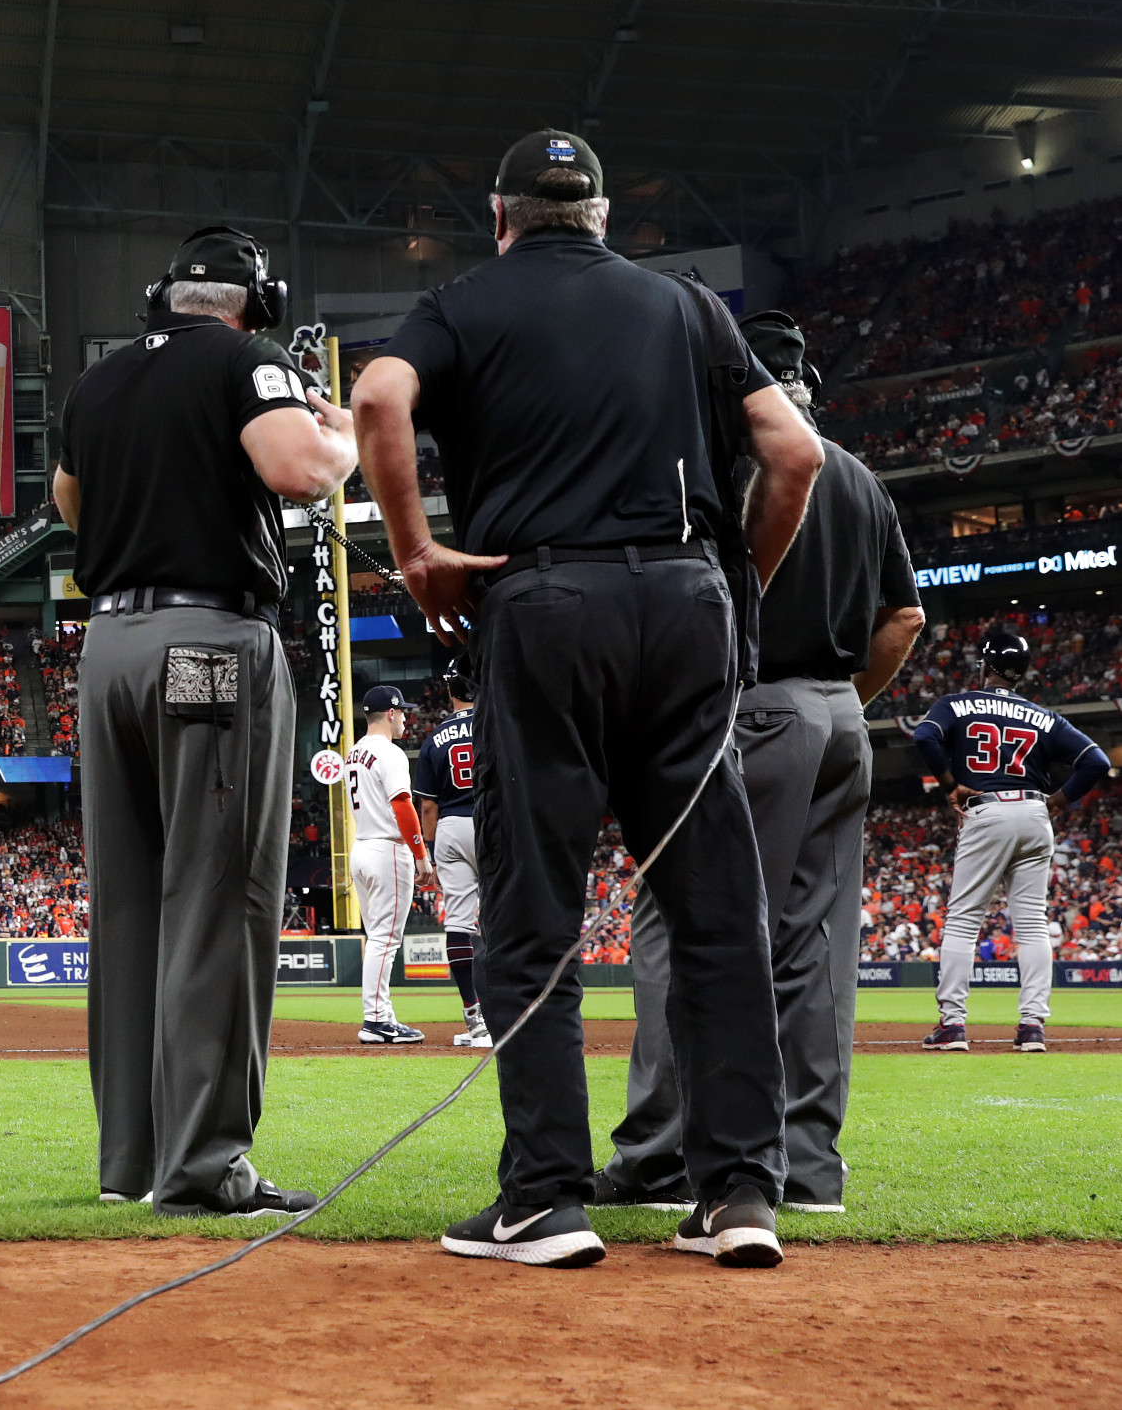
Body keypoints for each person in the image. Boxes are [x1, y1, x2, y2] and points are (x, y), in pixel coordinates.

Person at [352, 128, 822, 1271]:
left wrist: (417, 552)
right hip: (685, 597)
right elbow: (794, 454)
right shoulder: (689, 305)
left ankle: (545, 1198)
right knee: (717, 912)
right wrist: (731, 586)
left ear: (502, 215)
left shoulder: (464, 300)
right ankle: (740, 1193)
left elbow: (376, 395)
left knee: (535, 908)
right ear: (605, 216)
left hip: (543, 597)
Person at [54, 225, 357, 1217]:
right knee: (219, 900)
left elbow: (70, 502)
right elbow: (293, 469)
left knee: (130, 902)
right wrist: (342, 441)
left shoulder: (98, 383)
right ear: (253, 300)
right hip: (208, 641)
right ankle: (205, 1165)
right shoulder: (250, 358)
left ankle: (129, 1161)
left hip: (107, 650)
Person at [596, 311, 924, 1215]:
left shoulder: (732, 464)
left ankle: (662, 1157)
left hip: (749, 711)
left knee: (677, 922)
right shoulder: (857, 476)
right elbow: (903, 621)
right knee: (813, 945)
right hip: (837, 722)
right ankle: (809, 1165)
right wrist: (844, 705)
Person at [914, 632, 1109, 1053]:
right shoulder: (1046, 717)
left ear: (984, 666)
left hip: (987, 809)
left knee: (964, 920)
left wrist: (950, 783)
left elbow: (924, 737)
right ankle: (1033, 1026)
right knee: (1033, 923)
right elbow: (1097, 761)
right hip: (1035, 812)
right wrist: (1058, 800)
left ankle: (952, 1025)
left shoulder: (956, 703)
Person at [345, 684, 434, 1045]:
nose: (407, 719)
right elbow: (402, 805)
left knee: (377, 938)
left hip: (362, 847)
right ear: (392, 713)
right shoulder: (389, 752)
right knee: (386, 939)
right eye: (404, 712)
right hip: (387, 850)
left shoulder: (354, 751)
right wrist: (421, 854)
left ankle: (381, 1014)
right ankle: (377, 1020)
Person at [410, 658, 490, 1049]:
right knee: (500, 918)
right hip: (493, 823)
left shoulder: (434, 738)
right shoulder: (497, 725)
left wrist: (427, 851)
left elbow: (427, 807)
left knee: (459, 922)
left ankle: (476, 1021)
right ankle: (509, 1012)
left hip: (451, 827)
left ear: (449, 689)